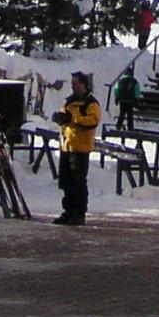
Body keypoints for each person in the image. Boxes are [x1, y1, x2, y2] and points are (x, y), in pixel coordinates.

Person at [51, 71, 101, 225]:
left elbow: (93, 121)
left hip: (80, 147)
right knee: (66, 182)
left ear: (83, 84)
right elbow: (63, 115)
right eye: (72, 83)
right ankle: (68, 211)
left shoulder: (91, 103)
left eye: (75, 83)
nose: (72, 86)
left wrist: (73, 119)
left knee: (78, 182)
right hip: (67, 146)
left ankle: (79, 213)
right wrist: (59, 118)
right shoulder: (69, 101)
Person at [111, 68, 140, 133]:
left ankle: (118, 126)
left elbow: (116, 90)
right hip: (130, 100)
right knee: (130, 114)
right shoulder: (135, 81)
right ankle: (130, 128)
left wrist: (116, 98)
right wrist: (137, 99)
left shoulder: (120, 81)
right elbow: (137, 91)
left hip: (122, 100)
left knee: (122, 114)